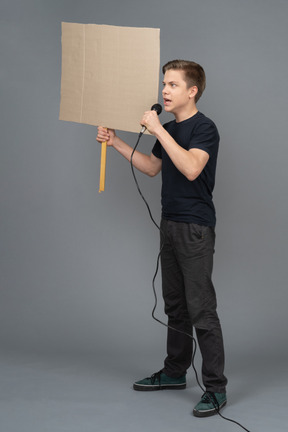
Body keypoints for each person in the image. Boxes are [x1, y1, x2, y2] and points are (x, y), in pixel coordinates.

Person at [96, 60, 228, 417]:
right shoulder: (167, 128)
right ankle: (174, 372)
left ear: (192, 91)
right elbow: (153, 168)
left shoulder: (204, 128)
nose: (164, 91)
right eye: (164, 84)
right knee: (175, 306)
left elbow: (191, 168)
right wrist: (116, 141)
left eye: (172, 85)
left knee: (202, 308)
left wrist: (157, 130)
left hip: (195, 229)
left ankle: (216, 388)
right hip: (169, 225)